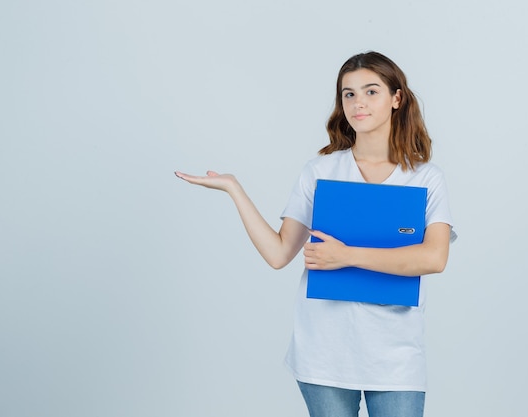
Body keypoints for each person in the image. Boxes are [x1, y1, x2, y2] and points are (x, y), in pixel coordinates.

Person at [175, 51, 456, 417]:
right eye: (348, 94)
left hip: (395, 356)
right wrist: (234, 189)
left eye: (371, 91)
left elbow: (434, 258)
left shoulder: (424, 177)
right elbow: (278, 254)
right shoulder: (321, 171)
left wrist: (347, 255)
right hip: (324, 352)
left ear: (396, 98)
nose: (358, 103)